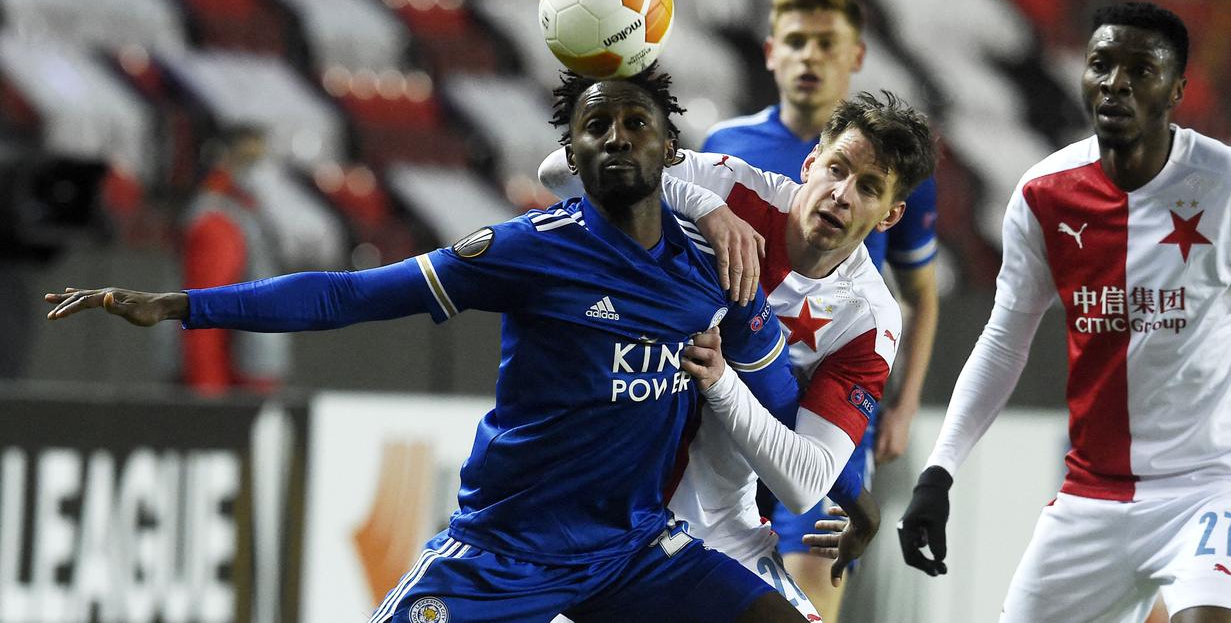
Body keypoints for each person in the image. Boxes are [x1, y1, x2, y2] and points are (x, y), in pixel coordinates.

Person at [45, 67, 815, 623]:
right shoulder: (527, 251)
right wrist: (183, 305)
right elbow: (348, 294)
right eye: (595, 127)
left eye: (635, 124)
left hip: (633, 550)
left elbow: (774, 394)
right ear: (570, 157)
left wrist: (820, 481)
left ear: (668, 148)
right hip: (504, 553)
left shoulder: (714, 266)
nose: (616, 138)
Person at [541, 90, 938, 618]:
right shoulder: (730, 185)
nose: (842, 194)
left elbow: (802, 485)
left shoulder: (868, 318)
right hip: (596, 507)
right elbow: (556, 172)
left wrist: (724, 383)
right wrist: (700, 205)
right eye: (836, 168)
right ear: (810, 162)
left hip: (716, 528)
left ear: (890, 216)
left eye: (868, 188)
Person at [898, 2, 1231, 623]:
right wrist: (937, 475)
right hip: (1090, 498)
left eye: (1142, 69)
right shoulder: (1043, 195)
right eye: (1101, 64)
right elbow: (1004, 342)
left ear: (1178, 89)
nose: (1116, 83)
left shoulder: (1223, 186)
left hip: (1207, 490)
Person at [701, 0, 940, 618]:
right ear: (771, 51)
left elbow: (921, 292)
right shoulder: (728, 151)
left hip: (832, 397)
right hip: (730, 394)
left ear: (855, 56)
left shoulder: (899, 166)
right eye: (797, 42)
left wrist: (905, 403)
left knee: (807, 592)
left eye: (827, 44)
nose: (811, 57)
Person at [179, 124, 288, 395]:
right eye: (250, 160)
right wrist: (209, 396)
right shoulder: (216, 220)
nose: (259, 170)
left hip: (250, 380)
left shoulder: (248, 212)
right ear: (224, 160)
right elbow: (204, 318)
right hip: (233, 386)